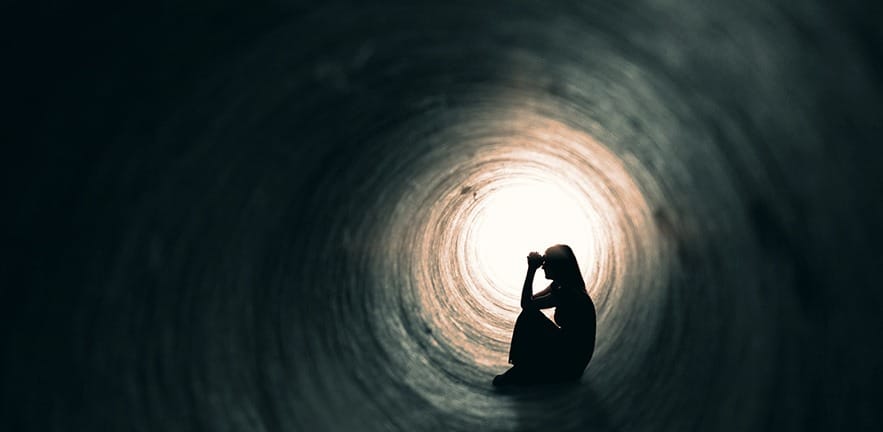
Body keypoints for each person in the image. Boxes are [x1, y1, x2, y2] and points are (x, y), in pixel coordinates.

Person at [493, 244, 596, 386]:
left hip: (572, 364)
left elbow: (526, 304)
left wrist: (531, 270)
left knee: (529, 316)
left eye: (547, 263)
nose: (543, 267)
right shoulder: (560, 285)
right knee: (530, 313)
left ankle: (524, 367)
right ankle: (526, 365)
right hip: (570, 353)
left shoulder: (568, 292)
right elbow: (531, 300)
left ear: (558, 266)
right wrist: (535, 266)